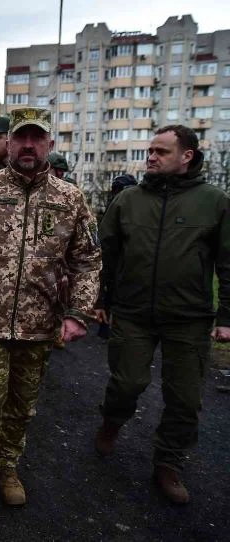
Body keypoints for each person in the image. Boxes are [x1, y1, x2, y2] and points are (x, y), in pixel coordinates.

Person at [0, 107, 101, 520]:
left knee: (22, 403)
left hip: (40, 320)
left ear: (49, 143)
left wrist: (78, 312)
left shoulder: (69, 198)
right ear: (9, 142)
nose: (28, 145)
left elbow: (88, 258)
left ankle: (8, 466)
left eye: (37, 138)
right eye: (21, 138)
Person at [94, 125, 230, 504]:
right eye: (149, 150)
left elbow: (228, 262)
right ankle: (111, 421)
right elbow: (104, 254)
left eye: (161, 151)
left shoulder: (214, 201)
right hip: (133, 312)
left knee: (185, 399)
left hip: (189, 318)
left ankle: (168, 463)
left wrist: (227, 317)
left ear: (186, 156)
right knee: (127, 383)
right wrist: (99, 300)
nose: (150, 157)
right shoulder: (129, 200)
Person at [95, 174, 137, 339]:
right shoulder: (116, 206)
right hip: (112, 257)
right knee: (108, 292)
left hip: (124, 260)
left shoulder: (132, 206)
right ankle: (104, 326)